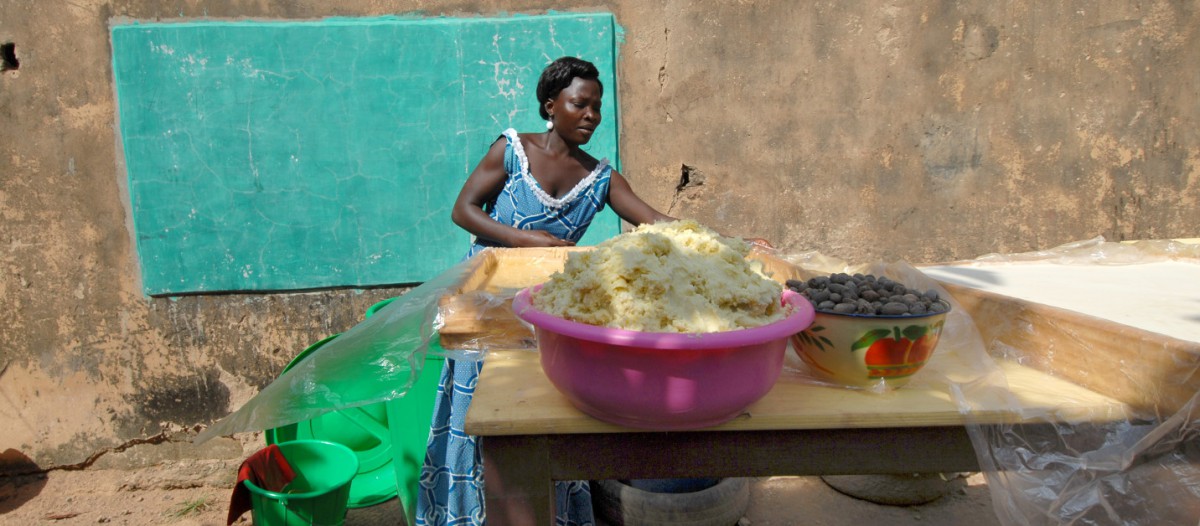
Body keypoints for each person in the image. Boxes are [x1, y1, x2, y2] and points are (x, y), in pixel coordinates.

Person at [417, 56, 674, 526]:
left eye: (597, 107)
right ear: (551, 106)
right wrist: (524, 239)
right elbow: (464, 210)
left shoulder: (599, 179)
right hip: (485, 310)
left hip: (544, 315)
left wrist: (730, 242)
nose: (591, 115)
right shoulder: (512, 151)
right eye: (580, 104)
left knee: (539, 416)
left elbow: (657, 221)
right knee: (479, 414)